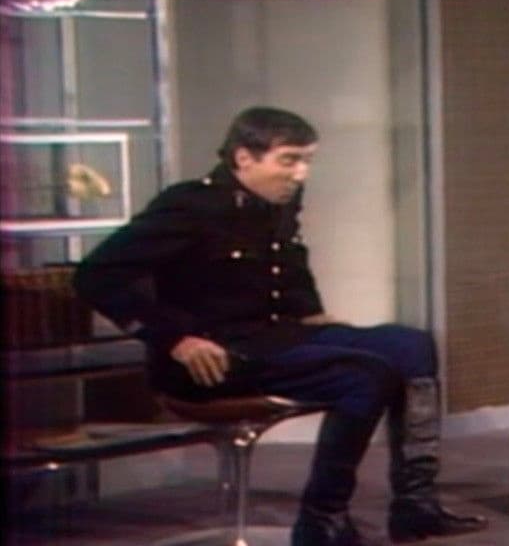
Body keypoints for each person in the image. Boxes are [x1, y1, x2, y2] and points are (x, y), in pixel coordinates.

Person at [74, 107, 487, 546]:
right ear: (244, 157)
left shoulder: (278, 201)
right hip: (213, 358)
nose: (301, 173)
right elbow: (94, 276)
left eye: (307, 160)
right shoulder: (189, 205)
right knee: (364, 375)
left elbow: (288, 259)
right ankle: (322, 520)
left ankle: (415, 505)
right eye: (289, 160)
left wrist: (310, 312)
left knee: (411, 344)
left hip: (273, 339)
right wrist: (173, 338)